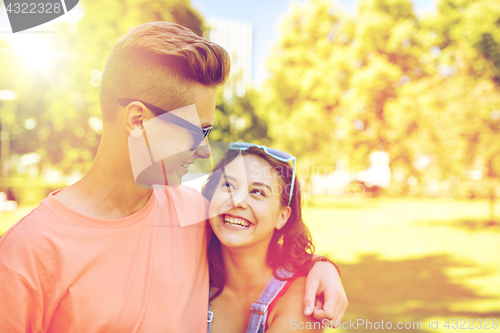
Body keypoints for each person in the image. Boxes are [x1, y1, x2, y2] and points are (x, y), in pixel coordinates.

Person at [0, 22, 347, 332]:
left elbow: (269, 247)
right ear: (138, 121)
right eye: (196, 132)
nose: (206, 153)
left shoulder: (197, 210)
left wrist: (323, 267)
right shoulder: (27, 254)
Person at [202, 143, 339, 333]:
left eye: (258, 192)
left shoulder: (301, 300)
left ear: (282, 217)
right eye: (228, 185)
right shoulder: (190, 274)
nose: (236, 200)